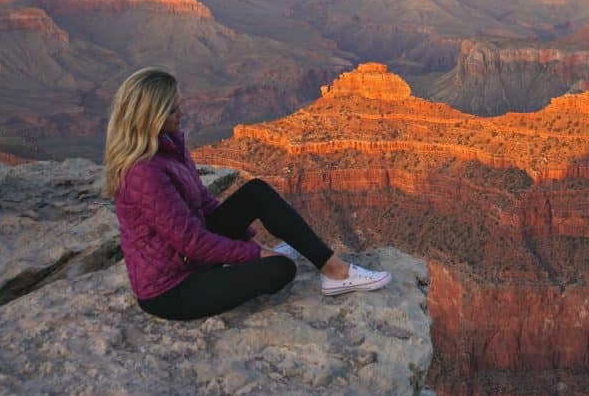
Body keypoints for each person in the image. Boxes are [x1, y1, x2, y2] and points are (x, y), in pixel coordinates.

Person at [104, 67, 390, 321]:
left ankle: (336, 271)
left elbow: (203, 202)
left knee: (257, 192)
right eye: (172, 110)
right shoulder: (144, 172)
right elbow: (190, 242)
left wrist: (240, 232)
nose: (181, 114)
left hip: (190, 257)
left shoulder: (168, 146)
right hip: (172, 287)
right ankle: (278, 264)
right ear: (148, 117)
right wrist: (254, 253)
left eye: (178, 106)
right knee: (281, 269)